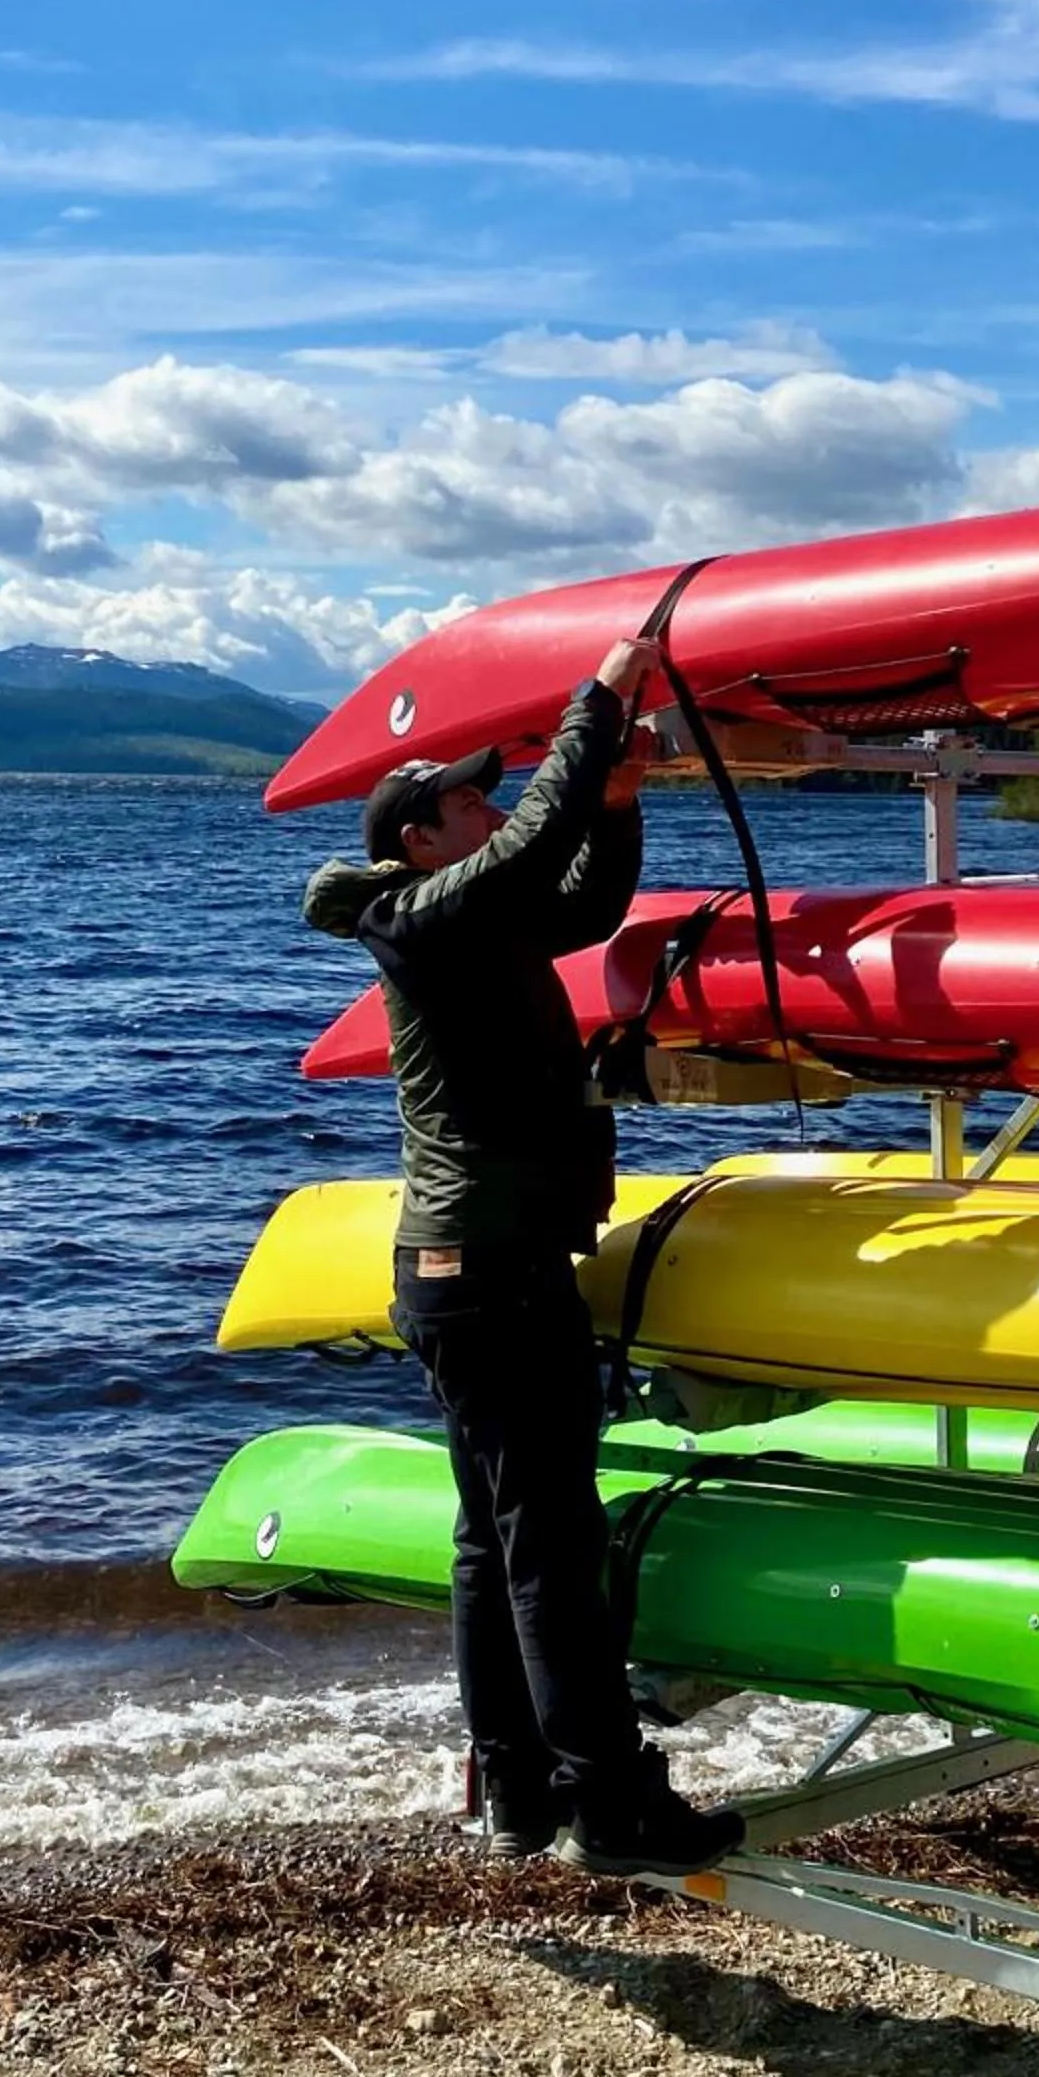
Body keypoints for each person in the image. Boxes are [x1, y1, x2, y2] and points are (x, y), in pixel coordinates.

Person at [300, 638, 747, 1880]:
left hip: (469, 1277)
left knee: (495, 1544)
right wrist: (601, 695)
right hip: (488, 1280)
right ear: (422, 843)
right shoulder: (425, 920)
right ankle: (612, 1804)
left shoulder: (465, 924)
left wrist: (619, 804)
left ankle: (515, 1788)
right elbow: (534, 840)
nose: (488, 808)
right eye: (465, 802)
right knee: (549, 1546)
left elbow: (582, 899)